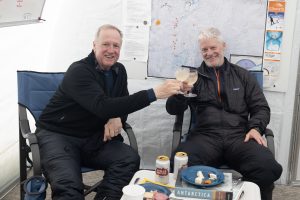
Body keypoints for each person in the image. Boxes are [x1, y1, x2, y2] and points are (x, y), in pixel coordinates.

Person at [36, 24, 181, 200]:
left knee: (128, 159)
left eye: (116, 45)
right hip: (59, 135)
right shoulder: (79, 71)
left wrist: (117, 117)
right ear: (94, 45)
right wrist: (154, 93)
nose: (111, 50)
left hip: (92, 137)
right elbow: (102, 106)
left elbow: (121, 103)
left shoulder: (119, 71)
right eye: (106, 44)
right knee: (69, 189)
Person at [166, 27, 282, 200]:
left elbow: (261, 108)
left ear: (223, 46)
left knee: (267, 167)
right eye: (204, 49)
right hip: (205, 137)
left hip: (239, 137)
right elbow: (172, 109)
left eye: (213, 47)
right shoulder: (193, 77)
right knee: (180, 163)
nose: (209, 53)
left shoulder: (243, 75)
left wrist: (256, 128)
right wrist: (180, 94)